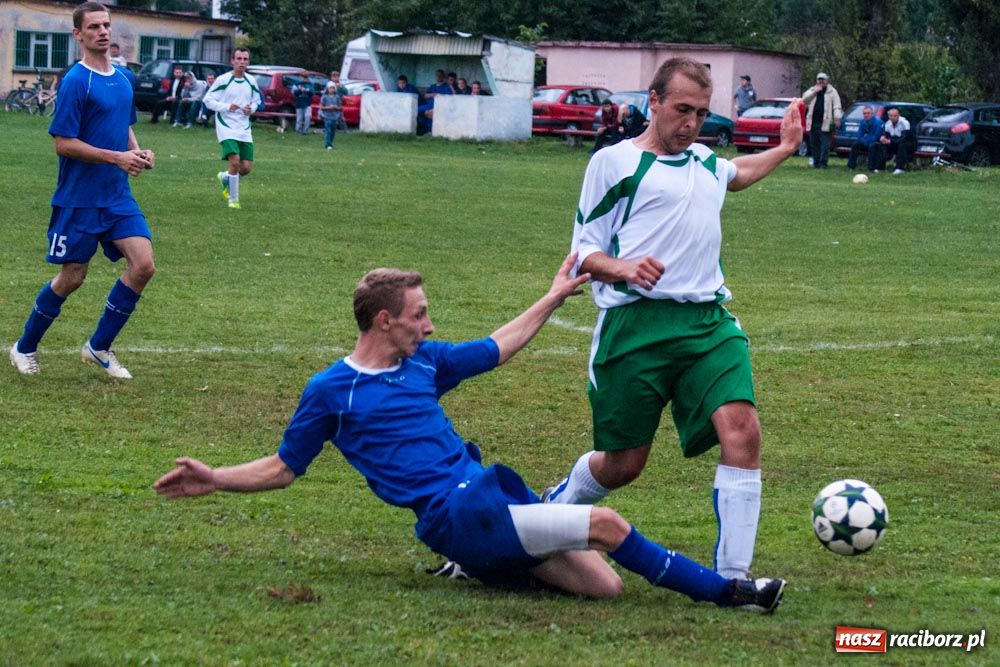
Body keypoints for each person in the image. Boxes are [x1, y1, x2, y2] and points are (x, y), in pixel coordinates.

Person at [153, 255, 786, 612]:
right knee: (608, 525)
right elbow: (284, 467)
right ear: (383, 321)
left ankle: (480, 566)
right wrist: (215, 479)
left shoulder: (424, 364)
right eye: (419, 315)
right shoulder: (331, 391)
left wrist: (551, 297)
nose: (429, 326)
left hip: (486, 501)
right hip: (452, 513)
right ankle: (733, 592)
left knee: (606, 585)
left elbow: (497, 347)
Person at [546, 57, 804, 585]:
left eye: (702, 113)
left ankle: (734, 579)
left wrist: (785, 148)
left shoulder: (707, 163)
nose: (691, 123)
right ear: (654, 101)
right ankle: (551, 514)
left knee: (742, 429)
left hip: (707, 323)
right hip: (635, 329)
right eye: (682, 109)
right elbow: (584, 252)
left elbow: (740, 174)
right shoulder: (614, 163)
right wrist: (623, 268)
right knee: (623, 464)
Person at [8, 1, 155, 379]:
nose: (103, 32)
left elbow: (123, 125)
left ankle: (99, 346)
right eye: (94, 27)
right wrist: (117, 158)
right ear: (78, 34)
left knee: (143, 265)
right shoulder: (76, 80)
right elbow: (63, 143)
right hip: (79, 198)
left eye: (106, 25)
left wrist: (135, 152)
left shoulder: (123, 79)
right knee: (72, 278)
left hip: (117, 196)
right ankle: (23, 347)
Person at [203, 48, 263, 210]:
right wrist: (227, 106)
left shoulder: (251, 81)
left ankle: (225, 177)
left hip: (244, 127)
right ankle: (233, 200)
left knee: (246, 168)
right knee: (235, 162)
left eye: (245, 59)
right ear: (232, 61)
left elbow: (257, 100)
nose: (242, 62)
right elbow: (208, 100)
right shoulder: (223, 80)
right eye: (239, 59)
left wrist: (252, 109)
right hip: (226, 126)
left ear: (248, 62)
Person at [802, 72, 841, 169]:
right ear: (816, 80)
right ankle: (816, 162)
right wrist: (815, 92)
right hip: (813, 122)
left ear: (827, 81)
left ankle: (823, 164)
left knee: (825, 145)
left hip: (826, 122)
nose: (821, 81)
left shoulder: (832, 92)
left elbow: (837, 106)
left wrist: (837, 118)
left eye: (823, 79)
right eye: (819, 79)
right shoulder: (811, 90)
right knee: (814, 144)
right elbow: (804, 101)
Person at [846, 106, 884, 172]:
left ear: (872, 114)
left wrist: (866, 137)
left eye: (868, 113)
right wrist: (865, 140)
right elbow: (859, 135)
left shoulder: (878, 122)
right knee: (855, 144)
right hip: (866, 142)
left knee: (872, 146)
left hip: (877, 143)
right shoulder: (863, 122)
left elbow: (877, 137)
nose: (866, 115)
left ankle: (871, 168)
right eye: (864, 113)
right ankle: (850, 166)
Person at [879, 107, 911, 175]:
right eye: (891, 116)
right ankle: (880, 168)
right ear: (888, 116)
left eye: (895, 116)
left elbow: (904, 138)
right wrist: (883, 138)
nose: (893, 117)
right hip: (895, 142)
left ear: (899, 115)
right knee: (881, 145)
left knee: (902, 145)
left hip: (909, 143)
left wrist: (890, 141)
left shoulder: (904, 123)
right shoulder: (887, 123)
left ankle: (899, 168)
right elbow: (886, 136)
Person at [319, 80, 346, 150]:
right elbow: (321, 107)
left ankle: (330, 143)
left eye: (333, 88)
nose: (331, 89)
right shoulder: (324, 97)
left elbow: (340, 107)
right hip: (327, 116)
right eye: (330, 88)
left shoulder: (337, 97)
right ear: (327, 89)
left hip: (335, 116)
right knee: (328, 131)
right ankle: (328, 144)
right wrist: (328, 107)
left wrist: (336, 107)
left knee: (333, 131)